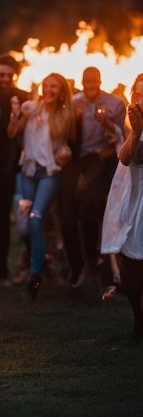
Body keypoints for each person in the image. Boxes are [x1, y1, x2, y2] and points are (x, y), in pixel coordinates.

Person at [9, 72, 75, 300]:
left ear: (61, 91)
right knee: (24, 228)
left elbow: (68, 145)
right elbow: (12, 133)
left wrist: (65, 152)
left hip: (49, 173)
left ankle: (34, 277)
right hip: (28, 172)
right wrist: (18, 116)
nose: (48, 90)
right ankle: (42, 259)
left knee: (37, 219)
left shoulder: (65, 115)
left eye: (53, 87)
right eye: (45, 85)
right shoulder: (30, 108)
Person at [63, 67, 125, 292]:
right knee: (73, 213)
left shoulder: (115, 104)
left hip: (103, 160)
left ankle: (99, 262)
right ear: (82, 81)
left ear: (100, 81)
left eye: (94, 82)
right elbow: (66, 134)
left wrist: (106, 122)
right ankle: (87, 261)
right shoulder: (75, 102)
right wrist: (74, 117)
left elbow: (120, 136)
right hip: (79, 162)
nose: (90, 86)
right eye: (86, 82)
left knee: (89, 208)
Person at [102, 73, 143, 341]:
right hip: (134, 194)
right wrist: (137, 132)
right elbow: (126, 158)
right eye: (138, 94)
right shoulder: (135, 122)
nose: (141, 99)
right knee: (131, 255)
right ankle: (138, 318)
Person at [0, 54, 30, 287]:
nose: (4, 79)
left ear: (15, 74)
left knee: (3, 219)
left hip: (7, 163)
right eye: (0, 74)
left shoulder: (22, 97)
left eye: (8, 75)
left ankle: (2, 271)